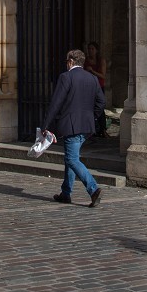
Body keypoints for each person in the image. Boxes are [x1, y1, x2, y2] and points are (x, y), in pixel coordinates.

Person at [43, 48, 106, 207]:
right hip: (86, 126)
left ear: (70, 62)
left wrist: (46, 125)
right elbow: (101, 102)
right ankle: (66, 192)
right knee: (71, 158)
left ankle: (93, 189)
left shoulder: (66, 77)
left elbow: (56, 103)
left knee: (71, 159)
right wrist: (92, 118)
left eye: (67, 62)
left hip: (71, 126)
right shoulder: (92, 78)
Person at [84, 41, 108, 137]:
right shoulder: (85, 60)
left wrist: (92, 71)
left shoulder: (101, 61)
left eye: (92, 49)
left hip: (99, 87)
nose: (90, 51)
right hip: (88, 87)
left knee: (100, 108)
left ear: (97, 50)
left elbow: (103, 75)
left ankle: (103, 129)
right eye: (89, 49)